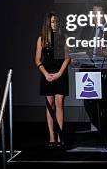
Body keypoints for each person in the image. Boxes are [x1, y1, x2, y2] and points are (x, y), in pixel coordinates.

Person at [79, 3, 107, 147]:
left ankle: (106, 137)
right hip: (89, 70)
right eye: (93, 13)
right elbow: (80, 46)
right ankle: (106, 134)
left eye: (98, 13)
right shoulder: (87, 29)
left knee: (106, 106)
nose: (95, 16)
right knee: (88, 103)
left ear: (105, 14)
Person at [35, 12, 70, 147]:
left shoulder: (64, 37)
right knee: (50, 105)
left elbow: (68, 57)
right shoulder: (42, 39)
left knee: (59, 103)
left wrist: (60, 73)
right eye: (52, 22)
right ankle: (52, 137)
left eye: (56, 22)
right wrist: (45, 74)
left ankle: (61, 136)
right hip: (47, 74)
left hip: (60, 73)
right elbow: (37, 59)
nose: (54, 24)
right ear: (48, 23)